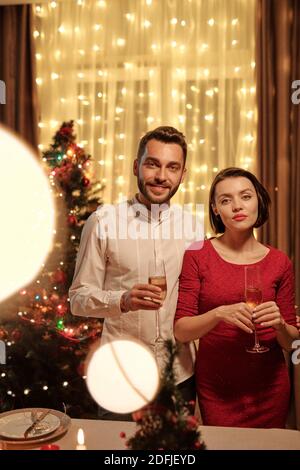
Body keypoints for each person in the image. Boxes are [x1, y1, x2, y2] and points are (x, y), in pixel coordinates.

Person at [69, 126, 202, 420]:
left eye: (172, 167)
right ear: (136, 166)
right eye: (152, 163)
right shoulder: (103, 221)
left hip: (179, 375)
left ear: (183, 174)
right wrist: (123, 300)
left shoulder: (193, 227)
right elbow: (77, 299)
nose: (161, 176)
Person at [174, 167, 299, 428]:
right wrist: (218, 314)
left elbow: (290, 343)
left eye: (245, 196)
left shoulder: (280, 262)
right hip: (218, 389)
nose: (237, 206)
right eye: (225, 200)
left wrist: (279, 325)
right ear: (216, 209)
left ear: (258, 201)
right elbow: (181, 331)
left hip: (270, 388)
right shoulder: (198, 254)